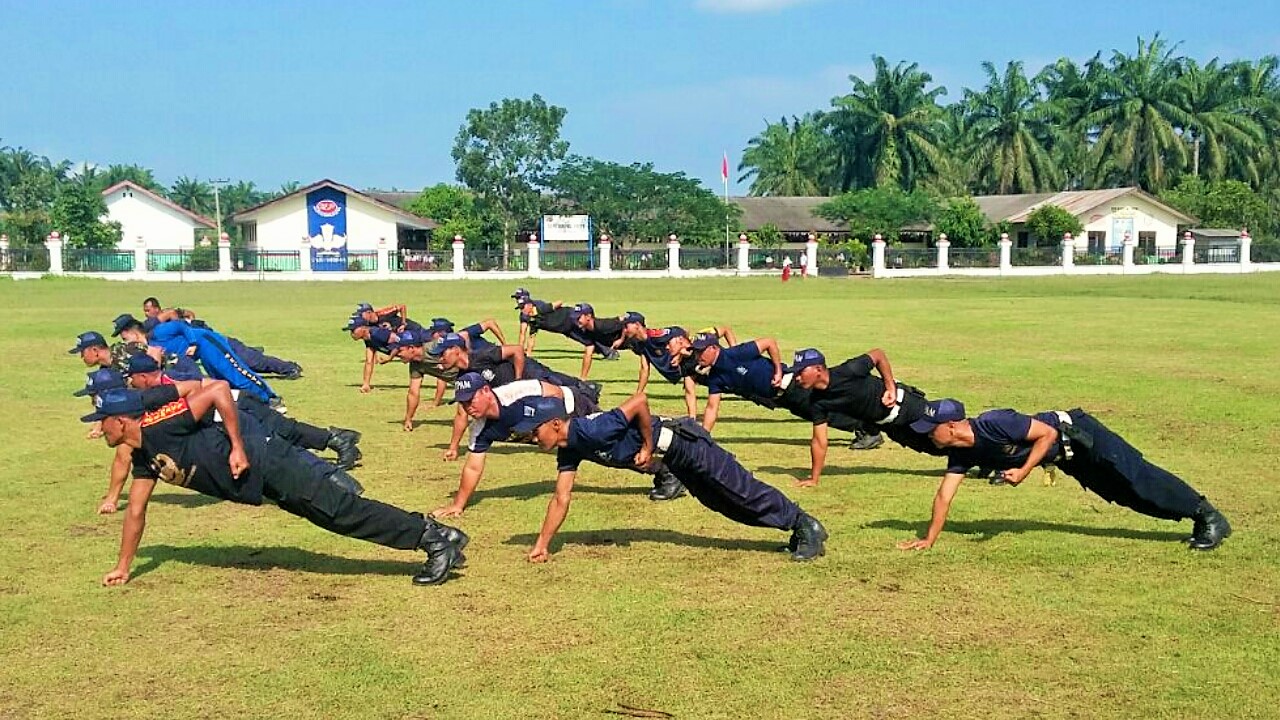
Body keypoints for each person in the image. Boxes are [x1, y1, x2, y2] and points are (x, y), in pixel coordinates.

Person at [85, 384, 469, 587]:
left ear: (121, 421)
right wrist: (123, 567)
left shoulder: (162, 425)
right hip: (261, 482)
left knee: (341, 512)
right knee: (333, 515)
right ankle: (439, 535)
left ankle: (432, 540)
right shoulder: (143, 456)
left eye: (101, 420)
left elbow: (218, 389)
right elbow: (135, 512)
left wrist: (236, 447)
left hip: (267, 460)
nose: (96, 427)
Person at [520, 393, 828, 563]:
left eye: (535, 430)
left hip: (686, 444)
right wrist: (542, 544)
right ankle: (796, 529)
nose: (533, 437)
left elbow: (639, 401)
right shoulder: (570, 449)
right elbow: (561, 496)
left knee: (741, 490)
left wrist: (646, 445)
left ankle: (806, 525)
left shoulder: (591, 428)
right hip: (676, 459)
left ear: (557, 423)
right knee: (723, 503)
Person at [897, 399, 1232, 552]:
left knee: (1138, 477)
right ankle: (1195, 518)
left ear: (952, 426)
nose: (927, 435)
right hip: (1070, 459)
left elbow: (1047, 435)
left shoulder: (994, 422)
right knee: (1127, 495)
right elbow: (944, 495)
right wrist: (929, 538)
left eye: (931, 430)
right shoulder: (961, 452)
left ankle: (1209, 516)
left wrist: (1024, 471)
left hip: (1081, 435)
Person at [430, 373, 685, 518]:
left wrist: (568, 428)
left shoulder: (517, 392)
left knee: (610, 447)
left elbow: (555, 393)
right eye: (462, 404)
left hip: (571, 408)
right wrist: (458, 504)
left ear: (485, 391)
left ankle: (667, 450)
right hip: (553, 429)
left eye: (470, 400)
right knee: (608, 452)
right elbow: (473, 467)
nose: (467, 408)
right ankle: (663, 461)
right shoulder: (481, 428)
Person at [791, 348, 941, 487]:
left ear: (818, 369)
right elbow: (819, 441)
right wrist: (814, 478)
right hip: (889, 425)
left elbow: (878, 355)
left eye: (800, 372)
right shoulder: (817, 402)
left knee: (943, 432)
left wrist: (890, 388)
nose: (797, 378)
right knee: (934, 448)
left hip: (907, 405)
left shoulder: (848, 371)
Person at [136, 304, 302, 379]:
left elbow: (177, 314)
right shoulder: (157, 337)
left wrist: (188, 323)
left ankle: (290, 367)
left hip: (218, 342)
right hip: (212, 346)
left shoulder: (155, 325)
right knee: (242, 363)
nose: (146, 313)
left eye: (148, 310)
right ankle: (254, 351)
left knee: (251, 362)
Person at [148, 319, 279, 404]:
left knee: (235, 372)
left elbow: (180, 325)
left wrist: (193, 343)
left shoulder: (158, 331)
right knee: (220, 378)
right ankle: (252, 401)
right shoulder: (147, 347)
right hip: (201, 353)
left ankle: (270, 397)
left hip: (206, 341)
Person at [569, 303, 624, 379]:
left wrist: (621, 339)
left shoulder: (603, 325)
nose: (576, 321)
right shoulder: (587, 332)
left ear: (588, 316)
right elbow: (588, 354)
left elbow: (626, 319)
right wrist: (582, 378)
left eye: (578, 318)